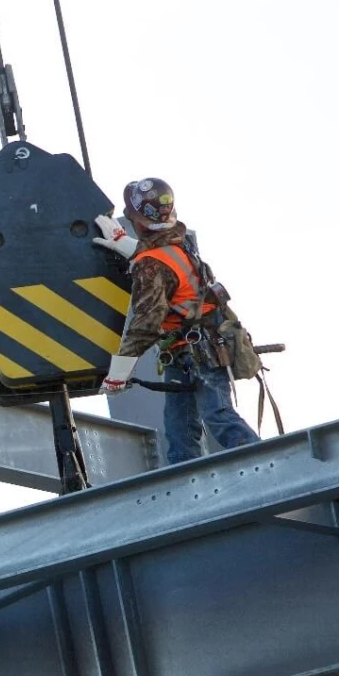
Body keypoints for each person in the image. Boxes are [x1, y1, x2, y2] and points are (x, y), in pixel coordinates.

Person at [94, 179, 260, 464]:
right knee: (179, 424)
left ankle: (268, 464)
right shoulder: (178, 241)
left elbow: (145, 324)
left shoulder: (151, 266)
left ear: (139, 221)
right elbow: (163, 260)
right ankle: (186, 480)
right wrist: (125, 245)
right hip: (188, 348)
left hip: (199, 350)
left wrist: (117, 375)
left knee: (217, 415)